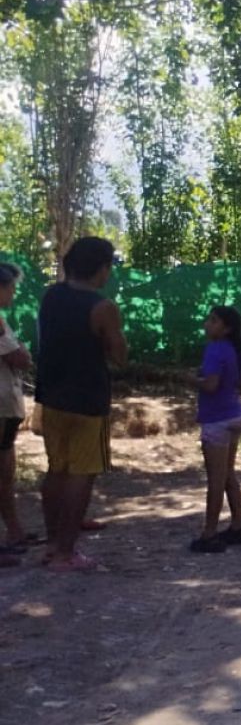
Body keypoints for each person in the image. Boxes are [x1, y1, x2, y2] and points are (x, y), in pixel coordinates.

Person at [37, 237, 128, 574]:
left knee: (56, 469)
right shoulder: (102, 307)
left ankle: (51, 544)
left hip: (52, 395)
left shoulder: (51, 296)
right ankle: (66, 551)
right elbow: (119, 355)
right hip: (87, 400)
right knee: (82, 473)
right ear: (100, 268)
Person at [191, 306, 241, 554]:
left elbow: (211, 385)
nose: (207, 324)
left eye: (213, 321)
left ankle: (209, 532)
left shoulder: (214, 350)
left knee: (216, 478)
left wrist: (190, 380)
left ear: (225, 328)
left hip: (216, 418)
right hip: (235, 414)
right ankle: (238, 524)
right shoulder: (235, 350)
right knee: (228, 474)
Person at [0, 263, 33, 567]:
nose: (13, 292)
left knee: (6, 472)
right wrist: (22, 353)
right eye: (10, 287)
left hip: (6, 407)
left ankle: (14, 532)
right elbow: (20, 357)